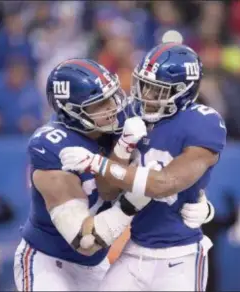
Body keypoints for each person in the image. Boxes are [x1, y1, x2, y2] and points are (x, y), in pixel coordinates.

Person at [14, 57, 211, 291]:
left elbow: (170, 165)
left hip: (96, 266)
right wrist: (131, 204)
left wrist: (200, 203)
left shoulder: (124, 120)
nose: (112, 108)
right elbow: (84, 240)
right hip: (48, 260)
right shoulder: (52, 146)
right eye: (98, 104)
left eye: (111, 96)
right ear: (71, 111)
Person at [60, 42, 227, 291]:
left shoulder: (203, 122)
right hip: (135, 248)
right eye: (144, 84)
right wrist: (122, 147)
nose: (145, 94)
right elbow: (108, 191)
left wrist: (98, 163)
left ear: (182, 91)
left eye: (156, 89)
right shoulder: (131, 113)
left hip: (179, 256)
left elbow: (163, 184)